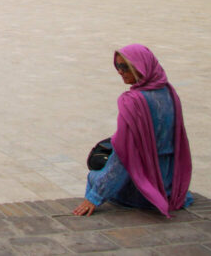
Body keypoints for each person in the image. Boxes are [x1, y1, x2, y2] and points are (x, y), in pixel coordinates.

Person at [73, 44, 193, 217]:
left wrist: (95, 196)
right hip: (169, 187)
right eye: (117, 67)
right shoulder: (168, 92)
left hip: (143, 193)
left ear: (141, 67)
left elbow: (125, 156)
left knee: (95, 172)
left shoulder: (133, 101)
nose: (120, 72)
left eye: (125, 67)